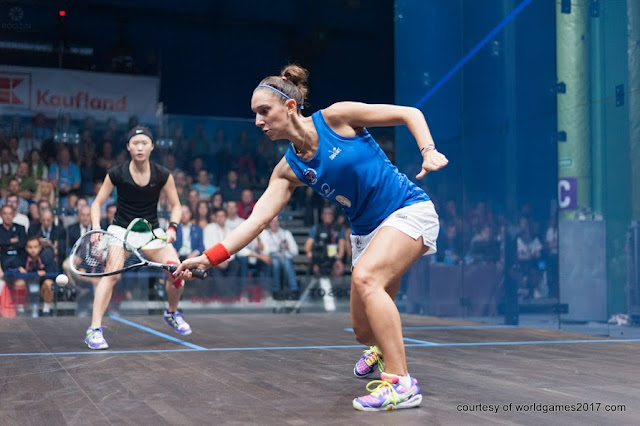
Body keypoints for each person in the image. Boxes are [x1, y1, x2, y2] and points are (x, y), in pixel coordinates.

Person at [175, 65, 448, 411]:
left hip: (407, 209)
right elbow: (256, 221)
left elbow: (410, 113)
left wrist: (427, 150)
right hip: (365, 233)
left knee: (367, 278)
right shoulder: (288, 169)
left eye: (264, 111)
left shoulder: (336, 117)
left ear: (289, 107)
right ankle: (381, 348)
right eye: (255, 114)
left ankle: (402, 384)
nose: (258, 121)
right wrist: (208, 256)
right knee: (363, 332)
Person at [86, 126, 191, 350]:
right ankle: (94, 329)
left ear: (152, 146)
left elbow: (176, 206)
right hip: (121, 230)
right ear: (128, 147)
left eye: (144, 143)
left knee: (177, 270)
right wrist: (96, 227)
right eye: (135, 143)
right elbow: (96, 203)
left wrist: (172, 228)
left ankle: (171, 313)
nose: (140, 147)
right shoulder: (117, 173)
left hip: (151, 232)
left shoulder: (162, 174)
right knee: (111, 276)